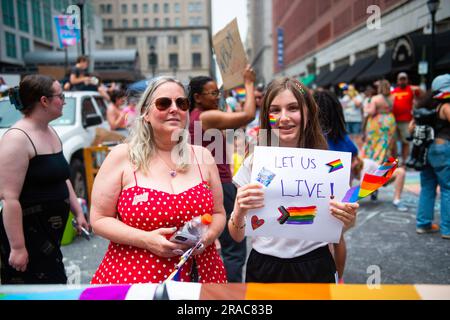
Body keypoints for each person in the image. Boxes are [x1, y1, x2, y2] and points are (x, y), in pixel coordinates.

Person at [90, 76, 227, 284]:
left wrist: (207, 238)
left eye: (181, 103)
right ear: (145, 113)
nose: (174, 109)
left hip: (201, 273)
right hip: (135, 277)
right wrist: (145, 240)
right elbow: (99, 219)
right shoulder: (121, 156)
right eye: (164, 103)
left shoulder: (203, 156)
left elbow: (218, 212)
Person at [229, 78, 358, 283]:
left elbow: (338, 232)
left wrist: (347, 220)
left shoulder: (328, 165)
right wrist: (239, 211)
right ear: (266, 116)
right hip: (264, 267)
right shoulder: (254, 163)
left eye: (293, 108)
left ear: (308, 112)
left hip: (315, 265)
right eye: (275, 110)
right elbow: (236, 236)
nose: (284, 118)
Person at [0, 75, 89, 284]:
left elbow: (62, 178)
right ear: (44, 101)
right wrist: (18, 247)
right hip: (28, 235)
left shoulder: (50, 130)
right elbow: (9, 198)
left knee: (55, 283)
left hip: (51, 233)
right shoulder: (17, 138)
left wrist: (78, 212)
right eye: (61, 96)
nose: (64, 101)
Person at [188, 65, 256, 282]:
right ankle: (232, 296)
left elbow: (232, 127)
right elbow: (248, 115)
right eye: (213, 93)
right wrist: (248, 82)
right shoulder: (206, 117)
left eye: (218, 92)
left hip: (200, 186)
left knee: (202, 244)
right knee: (233, 248)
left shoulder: (195, 117)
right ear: (197, 97)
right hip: (220, 185)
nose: (217, 96)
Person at [314, 90, 358, 283]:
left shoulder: (314, 139)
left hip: (318, 194)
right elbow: (354, 162)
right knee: (337, 237)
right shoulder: (344, 140)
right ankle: (338, 279)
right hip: (343, 195)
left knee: (319, 241)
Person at [414, 74, 450, 239]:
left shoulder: (424, 108)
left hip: (426, 150)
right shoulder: (445, 106)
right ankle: (447, 229)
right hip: (443, 148)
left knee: (428, 187)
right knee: (447, 188)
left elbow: (410, 128)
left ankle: (423, 224)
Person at [361, 79, 397, 164]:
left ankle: (375, 161)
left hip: (377, 122)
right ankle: (387, 163)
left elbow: (372, 111)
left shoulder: (375, 98)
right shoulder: (393, 97)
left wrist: (365, 108)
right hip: (389, 120)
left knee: (374, 142)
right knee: (387, 142)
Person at [391, 72, 422, 165]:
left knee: (406, 142)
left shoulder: (411, 90)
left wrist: (416, 88)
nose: (402, 81)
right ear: (397, 81)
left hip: (406, 120)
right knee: (393, 142)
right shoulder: (394, 91)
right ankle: (394, 163)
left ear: (407, 80)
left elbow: (422, 94)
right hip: (394, 120)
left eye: (404, 79)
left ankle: (404, 162)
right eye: (401, 79)